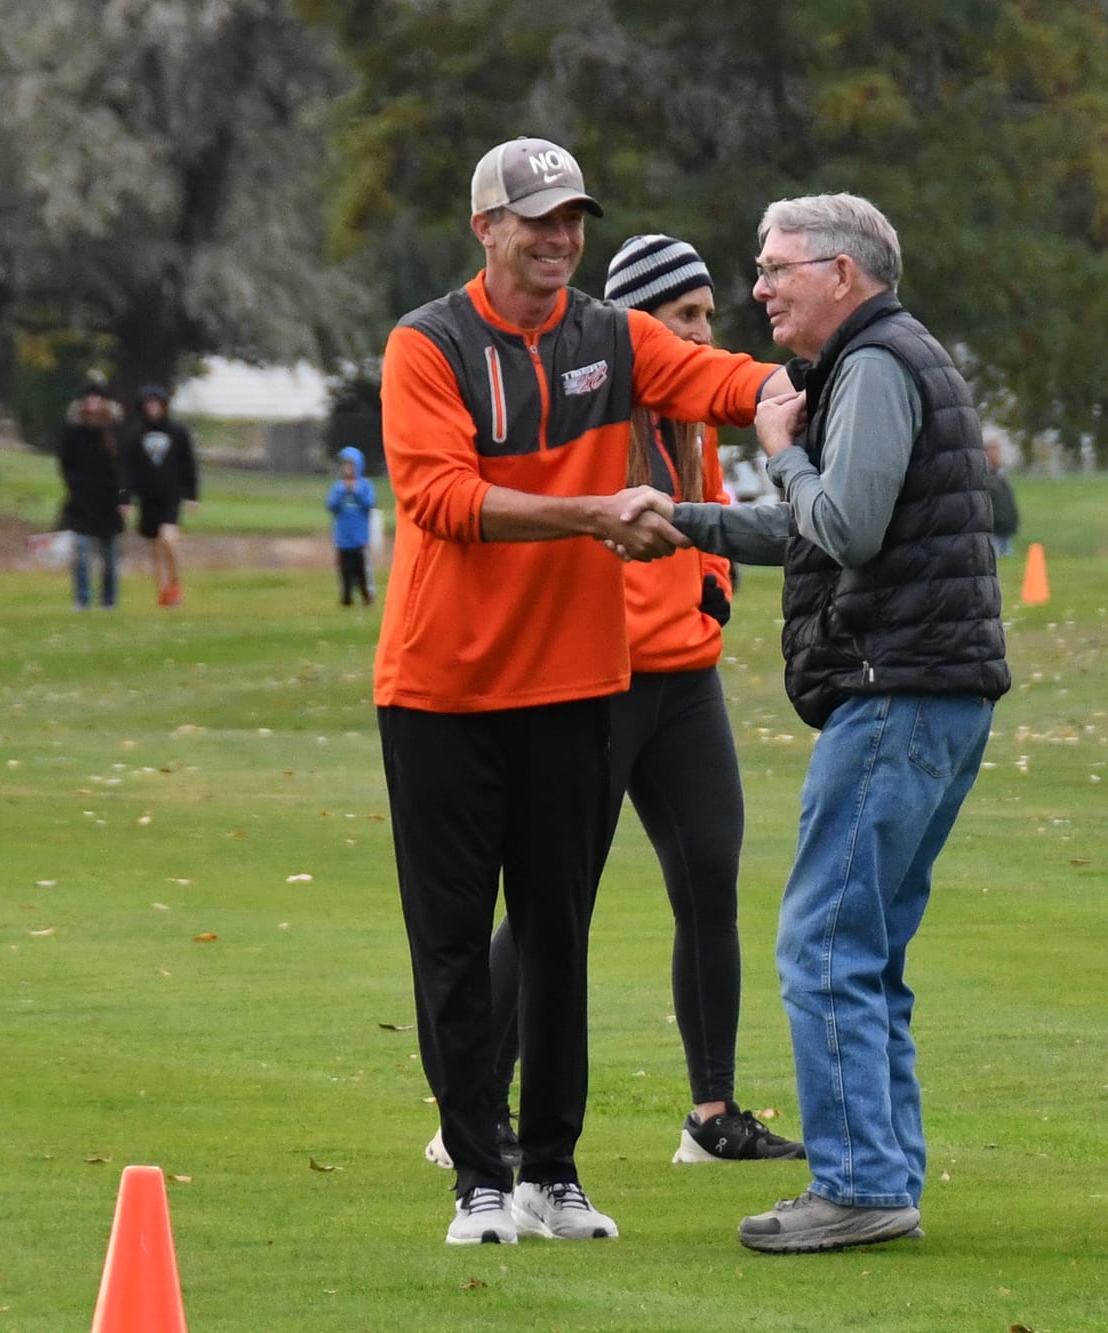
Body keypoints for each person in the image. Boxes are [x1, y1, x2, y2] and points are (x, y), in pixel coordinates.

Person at [377, 136, 791, 1246]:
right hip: (443, 688)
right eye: (538, 219)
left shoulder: (610, 336)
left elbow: (708, 378)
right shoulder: (427, 344)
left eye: (572, 220)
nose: (560, 238)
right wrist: (594, 510)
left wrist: (788, 387)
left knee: (557, 931)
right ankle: (477, 1173)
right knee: (457, 939)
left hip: (571, 682)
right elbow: (441, 500)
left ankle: (549, 1172)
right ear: (486, 228)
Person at [621, 193, 1010, 1253]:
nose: (758, 288)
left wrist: (778, 447)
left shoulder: (875, 366)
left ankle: (855, 1186)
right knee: (865, 949)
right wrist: (682, 522)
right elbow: (820, 527)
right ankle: (877, 1175)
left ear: (843, 273)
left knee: (825, 943)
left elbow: (838, 521)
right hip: (927, 689)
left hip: (895, 691)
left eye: (775, 267)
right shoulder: (881, 360)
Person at [122, 384, 198, 607]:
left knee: (168, 539)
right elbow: (127, 470)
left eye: (156, 404)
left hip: (171, 495)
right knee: (155, 546)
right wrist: (125, 499)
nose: (153, 408)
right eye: (149, 404)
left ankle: (175, 583)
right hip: (147, 497)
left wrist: (192, 495)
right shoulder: (134, 436)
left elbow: (188, 464)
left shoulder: (178, 432)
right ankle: (164, 591)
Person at [56, 377, 128, 610]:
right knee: (81, 549)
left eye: (97, 398)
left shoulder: (115, 431)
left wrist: (123, 497)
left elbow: (124, 468)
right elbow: (65, 462)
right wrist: (73, 484)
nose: (93, 403)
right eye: (89, 398)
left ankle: (109, 600)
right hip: (81, 500)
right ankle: (82, 598)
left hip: (109, 501)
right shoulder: (74, 431)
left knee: (109, 555)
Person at [325, 445, 377, 606]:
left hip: (360, 538)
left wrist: (356, 491)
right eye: (345, 465)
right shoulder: (338, 487)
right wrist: (343, 492)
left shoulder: (365, 486)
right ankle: (346, 598)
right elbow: (331, 506)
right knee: (345, 570)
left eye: (351, 465)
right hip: (343, 537)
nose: (348, 469)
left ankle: (366, 596)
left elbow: (369, 504)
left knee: (362, 569)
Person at [985, 434, 1019, 557]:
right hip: (993, 530)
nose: (997, 453)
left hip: (1006, 528)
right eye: (993, 449)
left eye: (998, 449)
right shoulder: (984, 475)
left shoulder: (1001, 475)